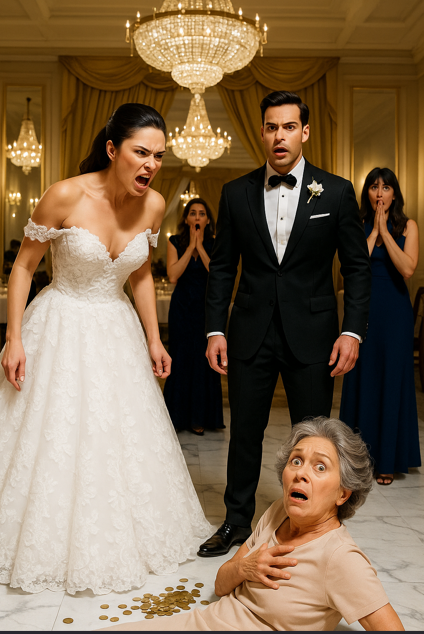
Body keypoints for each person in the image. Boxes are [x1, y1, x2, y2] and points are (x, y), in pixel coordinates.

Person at [0, 103, 212, 595]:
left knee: (119, 436)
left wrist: (154, 339)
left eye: (159, 156)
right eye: (141, 153)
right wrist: (14, 338)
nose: (151, 165)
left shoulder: (154, 205)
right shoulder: (65, 194)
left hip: (117, 330)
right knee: (56, 433)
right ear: (114, 150)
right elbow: (24, 267)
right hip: (60, 324)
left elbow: (140, 274)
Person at [198, 90, 371, 556]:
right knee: (244, 433)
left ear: (304, 132)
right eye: (272, 127)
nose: (280, 136)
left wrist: (351, 331)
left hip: (313, 335)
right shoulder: (235, 193)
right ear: (262, 132)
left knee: (313, 440)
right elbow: (222, 268)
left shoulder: (336, 191)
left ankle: (309, 526)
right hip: (249, 333)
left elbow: (357, 268)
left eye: (289, 127)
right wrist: (215, 330)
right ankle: (236, 522)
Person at [102, 417, 404, 632]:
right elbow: (221, 585)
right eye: (296, 461)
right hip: (204, 622)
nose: (300, 473)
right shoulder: (278, 512)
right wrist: (245, 567)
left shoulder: (341, 558)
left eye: (320, 466)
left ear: (342, 493)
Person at [340, 167, 421, 485]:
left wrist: (386, 232)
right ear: (367, 193)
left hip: (395, 313)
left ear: (394, 194)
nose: (379, 193)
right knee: (363, 378)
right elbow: (354, 264)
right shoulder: (356, 224)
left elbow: (407, 269)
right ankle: (355, 461)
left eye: (386, 187)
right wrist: (373, 230)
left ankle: (387, 460)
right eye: (374, 187)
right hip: (363, 311)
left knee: (391, 380)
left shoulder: (408, 226)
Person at [164, 198, 224, 435]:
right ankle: (177, 418)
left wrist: (200, 247)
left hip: (206, 308)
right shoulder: (174, 241)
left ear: (208, 220)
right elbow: (173, 276)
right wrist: (190, 247)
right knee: (180, 358)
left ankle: (201, 418)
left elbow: (216, 274)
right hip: (182, 308)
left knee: (203, 361)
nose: (197, 217)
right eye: (192, 213)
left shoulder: (215, 243)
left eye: (201, 213)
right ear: (186, 218)